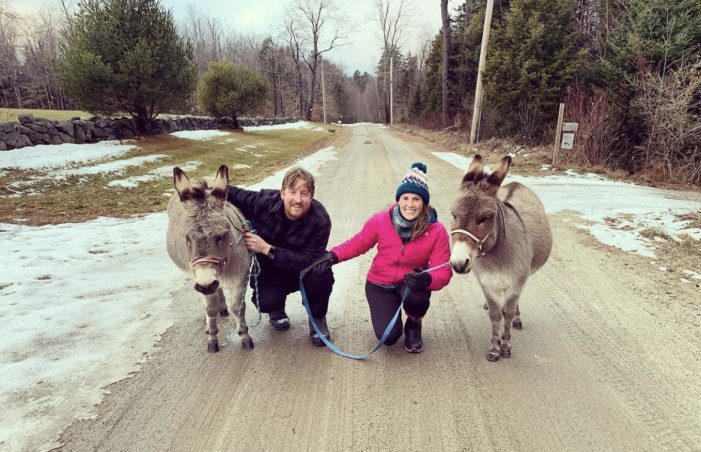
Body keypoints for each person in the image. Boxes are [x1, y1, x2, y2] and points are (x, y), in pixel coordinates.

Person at [306, 162, 452, 353]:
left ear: (424, 202)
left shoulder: (436, 230)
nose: (410, 204)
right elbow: (358, 243)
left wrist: (427, 278)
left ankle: (414, 324)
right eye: (405, 198)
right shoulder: (381, 220)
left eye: (416, 199)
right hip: (379, 284)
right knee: (389, 338)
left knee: (418, 297)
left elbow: (443, 269)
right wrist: (333, 256)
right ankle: (393, 319)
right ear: (398, 199)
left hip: (411, 283)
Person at [226, 166, 333, 346]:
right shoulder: (263, 201)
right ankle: (276, 309)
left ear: (311, 196)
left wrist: (267, 249)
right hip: (272, 271)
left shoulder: (320, 219)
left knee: (321, 273)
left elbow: (308, 260)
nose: (298, 200)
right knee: (265, 302)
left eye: (304, 194)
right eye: (292, 192)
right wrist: (201, 187)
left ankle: (317, 318)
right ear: (282, 193)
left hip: (305, 271)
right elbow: (231, 193)